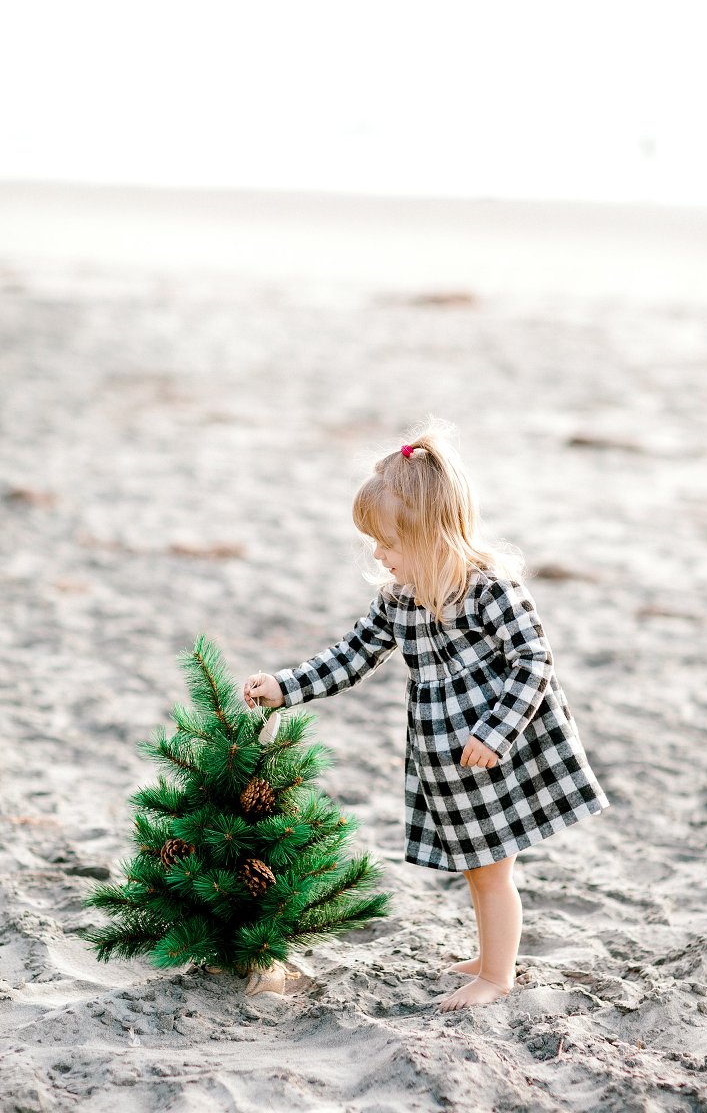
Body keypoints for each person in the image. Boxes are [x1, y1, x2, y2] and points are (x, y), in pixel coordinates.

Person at [244, 424, 610, 1012]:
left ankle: (497, 976)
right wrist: (285, 687)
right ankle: (493, 953)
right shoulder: (399, 599)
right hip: (447, 756)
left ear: (432, 535)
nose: (378, 556)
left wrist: (496, 732)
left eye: (387, 542)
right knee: (478, 867)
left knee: (493, 871)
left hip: (496, 750)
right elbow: (350, 657)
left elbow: (534, 660)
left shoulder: (491, 590)